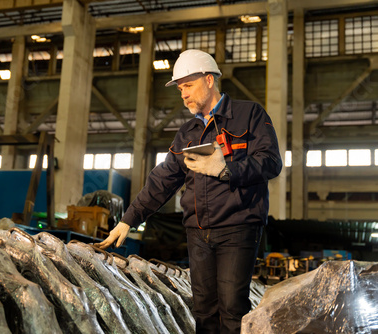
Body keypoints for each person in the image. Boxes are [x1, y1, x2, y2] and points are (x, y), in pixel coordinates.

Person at [95, 49, 282, 334]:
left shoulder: (249, 115)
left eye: (188, 86)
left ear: (209, 80)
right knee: (204, 311)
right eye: (180, 88)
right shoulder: (187, 133)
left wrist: (227, 169)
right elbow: (163, 180)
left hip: (238, 226)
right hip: (198, 231)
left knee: (232, 309)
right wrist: (128, 219)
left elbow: (270, 162)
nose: (183, 95)